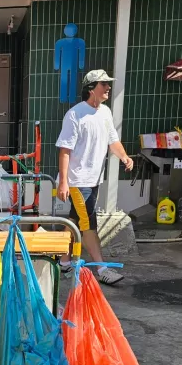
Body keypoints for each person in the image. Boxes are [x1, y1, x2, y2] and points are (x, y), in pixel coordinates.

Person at [55, 69, 133, 285]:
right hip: (78, 181)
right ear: (91, 88)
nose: (108, 87)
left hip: (94, 179)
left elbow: (112, 140)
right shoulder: (75, 114)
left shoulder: (105, 112)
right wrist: (63, 182)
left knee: (74, 219)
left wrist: (125, 156)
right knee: (89, 223)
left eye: (108, 83)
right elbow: (64, 150)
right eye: (103, 84)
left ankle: (63, 260)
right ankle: (102, 268)